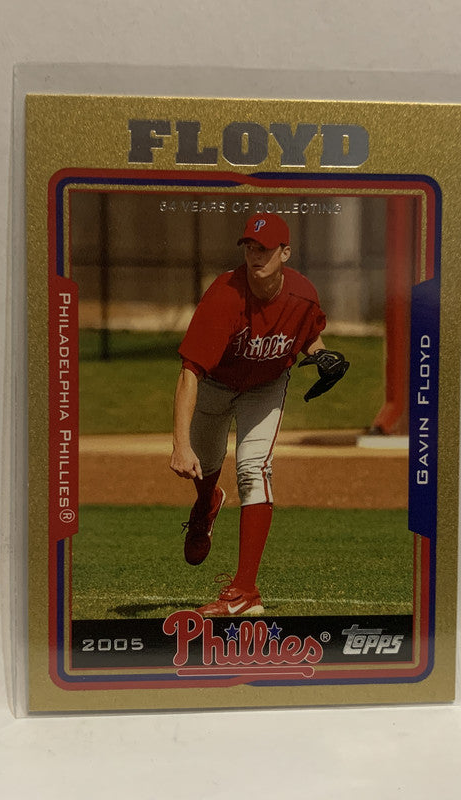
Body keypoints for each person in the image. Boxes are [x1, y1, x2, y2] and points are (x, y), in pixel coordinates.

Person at [169, 212, 348, 616]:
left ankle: (246, 592)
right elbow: (190, 371)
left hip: (265, 386)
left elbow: (309, 334)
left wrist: (322, 355)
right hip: (215, 384)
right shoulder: (224, 296)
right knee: (205, 464)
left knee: (254, 470)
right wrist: (180, 445)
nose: (255, 256)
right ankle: (206, 504)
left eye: (264, 249)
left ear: (285, 253)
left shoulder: (303, 294)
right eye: (250, 247)